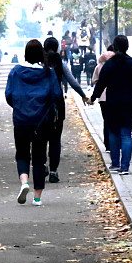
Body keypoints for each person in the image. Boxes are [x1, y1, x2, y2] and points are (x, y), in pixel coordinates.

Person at [5, 39, 60, 207]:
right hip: (41, 122)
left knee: (22, 153)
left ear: (25, 53)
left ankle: (24, 182)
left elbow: (9, 94)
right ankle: (37, 197)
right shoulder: (48, 73)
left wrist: (19, 106)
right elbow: (56, 95)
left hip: (21, 119)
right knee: (39, 157)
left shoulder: (16, 72)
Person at [87, 35, 132, 175]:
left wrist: (93, 98)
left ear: (114, 46)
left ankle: (115, 163)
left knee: (113, 132)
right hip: (129, 102)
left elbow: (101, 83)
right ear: (127, 47)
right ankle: (125, 167)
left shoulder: (110, 64)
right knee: (126, 134)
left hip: (112, 101)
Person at [43, 37, 88, 183]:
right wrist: (83, 95)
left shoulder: (39, 63)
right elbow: (72, 81)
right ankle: (53, 171)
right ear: (57, 48)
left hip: (39, 104)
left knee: (40, 137)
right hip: (56, 105)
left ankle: (42, 165)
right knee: (55, 139)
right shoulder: (60, 63)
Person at [91, 50, 114, 145]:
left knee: (106, 120)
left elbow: (94, 80)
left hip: (102, 97)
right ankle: (115, 142)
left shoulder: (99, 67)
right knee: (114, 120)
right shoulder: (114, 66)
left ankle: (107, 143)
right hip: (113, 96)